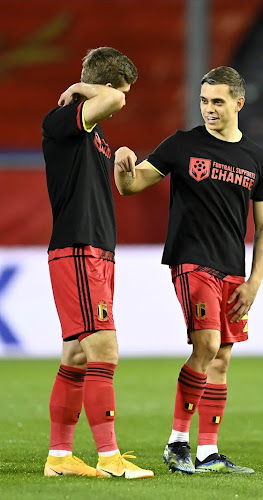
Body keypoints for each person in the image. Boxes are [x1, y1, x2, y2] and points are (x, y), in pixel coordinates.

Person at [113, 66, 263, 474]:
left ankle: (207, 450)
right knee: (205, 345)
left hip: (233, 270)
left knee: (221, 358)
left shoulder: (258, 159)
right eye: (204, 101)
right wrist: (122, 162)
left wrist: (254, 282)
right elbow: (130, 186)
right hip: (191, 261)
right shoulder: (182, 145)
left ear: (239, 103)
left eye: (217, 101)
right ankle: (177, 443)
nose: (209, 109)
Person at [42, 47, 152, 479]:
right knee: (104, 348)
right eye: (120, 91)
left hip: (96, 250)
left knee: (77, 355)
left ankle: (60, 457)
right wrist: (80, 88)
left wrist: (121, 157)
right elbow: (112, 100)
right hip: (78, 248)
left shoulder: (95, 133)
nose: (123, 101)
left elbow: (122, 190)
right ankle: (109, 458)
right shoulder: (63, 119)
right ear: (105, 88)